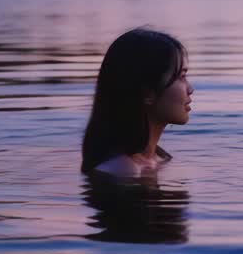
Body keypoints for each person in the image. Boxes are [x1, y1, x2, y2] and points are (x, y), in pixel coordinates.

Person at [82, 28, 193, 176]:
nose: (190, 89)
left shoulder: (160, 158)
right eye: (181, 76)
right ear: (148, 93)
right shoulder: (124, 169)